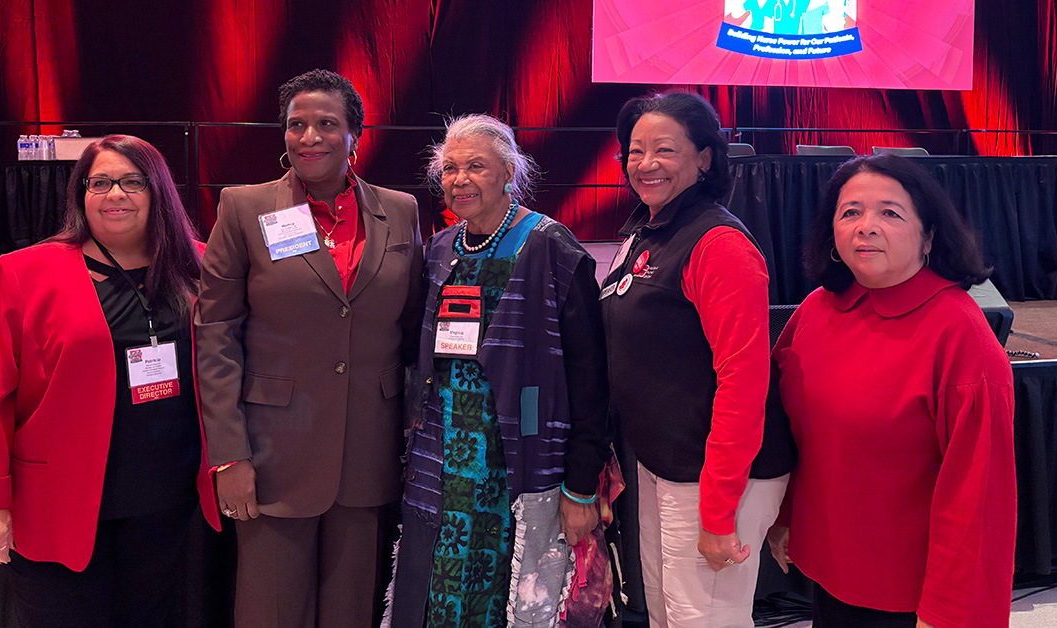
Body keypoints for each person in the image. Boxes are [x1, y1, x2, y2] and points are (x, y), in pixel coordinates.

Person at [0, 134, 218, 626]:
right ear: (81, 194)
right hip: (60, 505)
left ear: (158, 190)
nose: (115, 194)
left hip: (165, 504)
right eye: (100, 183)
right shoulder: (25, 272)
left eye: (132, 181)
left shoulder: (200, 267)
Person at [195, 68, 424, 628]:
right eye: (297, 125)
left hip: (367, 446)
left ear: (355, 135)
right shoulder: (245, 208)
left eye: (327, 124)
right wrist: (229, 454)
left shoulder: (400, 211)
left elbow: (413, 326)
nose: (309, 137)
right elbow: (215, 332)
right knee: (270, 609)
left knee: (351, 610)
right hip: (273, 450)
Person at [768, 155, 1016, 628]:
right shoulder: (818, 311)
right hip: (830, 568)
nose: (866, 227)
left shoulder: (958, 333)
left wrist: (950, 613)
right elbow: (796, 434)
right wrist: (784, 516)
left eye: (890, 212)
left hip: (910, 594)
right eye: (850, 212)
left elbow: (978, 497)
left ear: (929, 236)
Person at [386, 114, 610, 628]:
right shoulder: (442, 249)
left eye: (476, 167)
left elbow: (589, 376)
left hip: (514, 459)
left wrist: (580, 484)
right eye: (450, 169)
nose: (460, 180)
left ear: (509, 172)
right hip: (442, 459)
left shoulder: (551, 246)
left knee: (503, 596)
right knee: (437, 589)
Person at [601, 92, 794, 627]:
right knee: (669, 614)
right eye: (635, 150)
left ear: (705, 158)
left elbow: (744, 380)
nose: (645, 164)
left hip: (716, 473)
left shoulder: (718, 243)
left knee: (705, 618)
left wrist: (717, 509)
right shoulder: (647, 230)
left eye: (664, 150)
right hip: (664, 462)